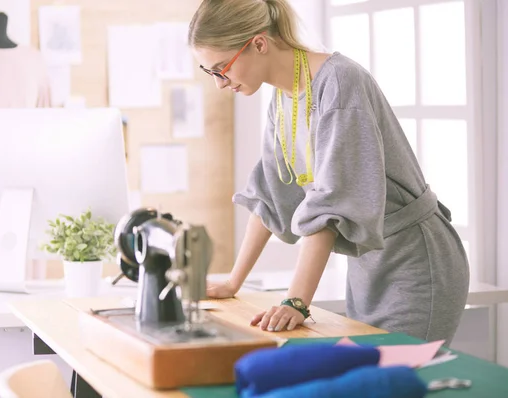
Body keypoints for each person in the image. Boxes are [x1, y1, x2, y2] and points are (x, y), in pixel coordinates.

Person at [188, 0, 469, 344]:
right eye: (210, 73)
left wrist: (296, 301)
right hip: (368, 266)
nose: (219, 83)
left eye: (221, 68)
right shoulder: (283, 98)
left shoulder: (339, 83)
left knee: (398, 381)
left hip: (414, 261)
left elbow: (332, 204)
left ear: (258, 44)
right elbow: (270, 196)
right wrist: (234, 281)